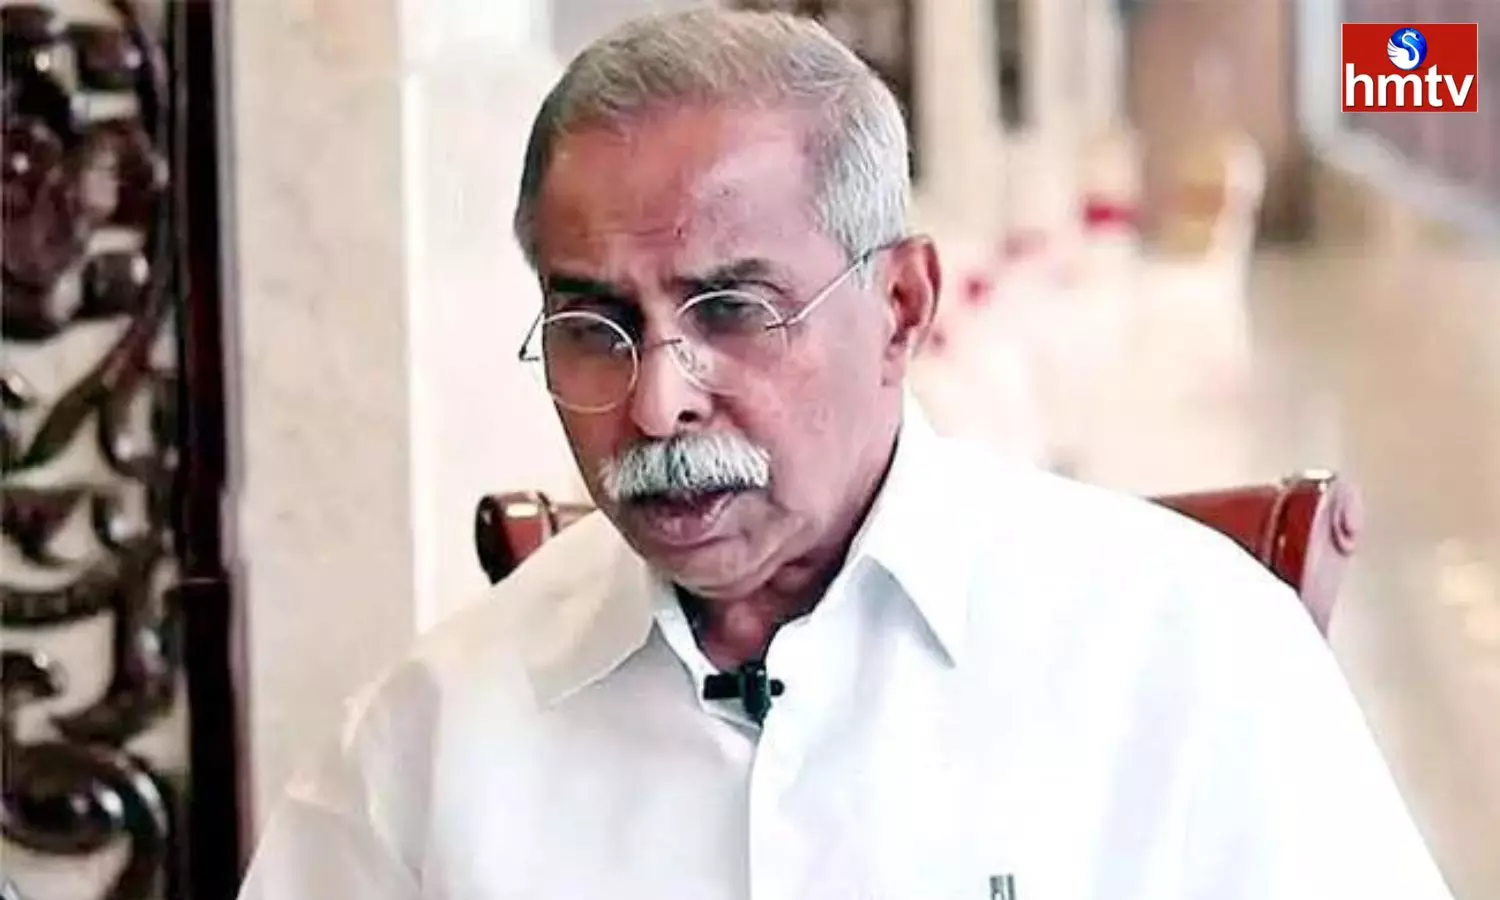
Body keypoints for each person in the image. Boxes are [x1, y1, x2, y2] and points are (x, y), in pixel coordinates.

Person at [237, 10, 1453, 899]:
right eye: (595, 327)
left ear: (902, 307)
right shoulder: (434, 741)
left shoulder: (1183, 653)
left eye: (732, 310)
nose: (658, 402)